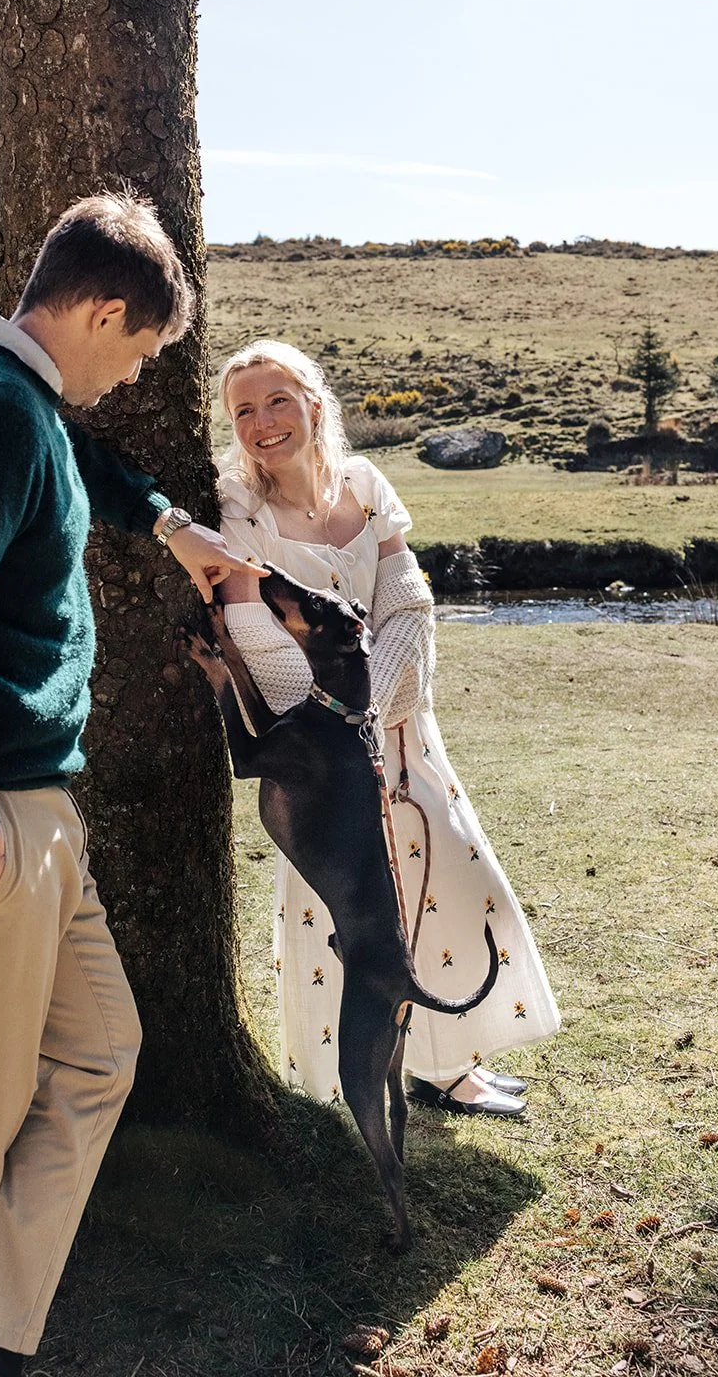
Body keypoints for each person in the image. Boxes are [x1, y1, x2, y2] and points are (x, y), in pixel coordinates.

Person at [0, 193, 259, 1377]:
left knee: (95, 1054)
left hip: (31, 809)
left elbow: (71, 455)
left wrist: (168, 520)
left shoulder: (12, 398)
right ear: (98, 309)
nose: (132, 379)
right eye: (136, 350)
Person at [214, 340, 559, 1119]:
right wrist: (336, 718)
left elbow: (408, 603)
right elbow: (247, 622)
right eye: (244, 411)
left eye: (277, 401)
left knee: (453, 884)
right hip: (318, 748)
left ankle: (448, 1064)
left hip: (401, 728)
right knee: (352, 908)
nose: (263, 423)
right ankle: (369, 1074)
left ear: (312, 403)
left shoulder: (364, 486)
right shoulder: (240, 507)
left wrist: (376, 703)